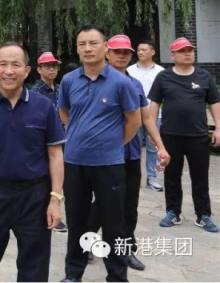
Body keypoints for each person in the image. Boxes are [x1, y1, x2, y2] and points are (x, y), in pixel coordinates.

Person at [0, 43, 65, 282]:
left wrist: (55, 199)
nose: (9, 71)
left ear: (27, 71)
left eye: (16, 65)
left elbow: (55, 154)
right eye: (3, 64)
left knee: (34, 268)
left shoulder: (43, 106)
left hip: (34, 197)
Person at [59, 25, 141, 283]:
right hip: (74, 161)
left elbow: (134, 120)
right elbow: (65, 114)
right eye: (82, 44)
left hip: (109, 164)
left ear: (105, 48)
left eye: (93, 43)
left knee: (114, 223)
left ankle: (117, 276)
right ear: (77, 48)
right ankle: (73, 273)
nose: (87, 48)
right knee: (76, 220)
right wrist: (81, 136)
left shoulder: (121, 82)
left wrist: (113, 144)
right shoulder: (69, 80)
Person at [86, 35, 171, 271]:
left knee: (130, 205)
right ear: (107, 53)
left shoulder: (134, 85)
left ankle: (126, 249)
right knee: (101, 204)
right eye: (117, 51)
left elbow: (146, 118)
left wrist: (160, 146)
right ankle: (86, 242)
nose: (122, 56)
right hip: (103, 157)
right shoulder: (94, 82)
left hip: (131, 154)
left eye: (126, 52)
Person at [149, 37, 220, 233]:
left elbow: (215, 103)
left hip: (198, 136)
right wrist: (153, 132)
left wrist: (219, 128)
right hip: (170, 135)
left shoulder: (204, 76)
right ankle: (173, 212)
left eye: (190, 50)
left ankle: (203, 215)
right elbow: (154, 104)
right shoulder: (163, 77)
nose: (187, 53)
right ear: (172, 55)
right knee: (172, 176)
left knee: (200, 177)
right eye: (182, 51)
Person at [30, 51, 67, 233]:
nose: (52, 69)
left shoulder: (61, 89)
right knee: (47, 177)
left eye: (54, 66)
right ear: (39, 69)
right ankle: (46, 213)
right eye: (47, 66)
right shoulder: (35, 93)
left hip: (64, 137)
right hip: (44, 140)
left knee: (61, 176)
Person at [127, 40, 166, 191]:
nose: (141, 52)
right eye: (139, 50)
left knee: (153, 147)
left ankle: (151, 177)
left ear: (153, 52)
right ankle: (133, 176)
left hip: (155, 115)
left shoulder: (161, 71)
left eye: (144, 49)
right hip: (134, 115)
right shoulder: (129, 70)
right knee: (133, 147)